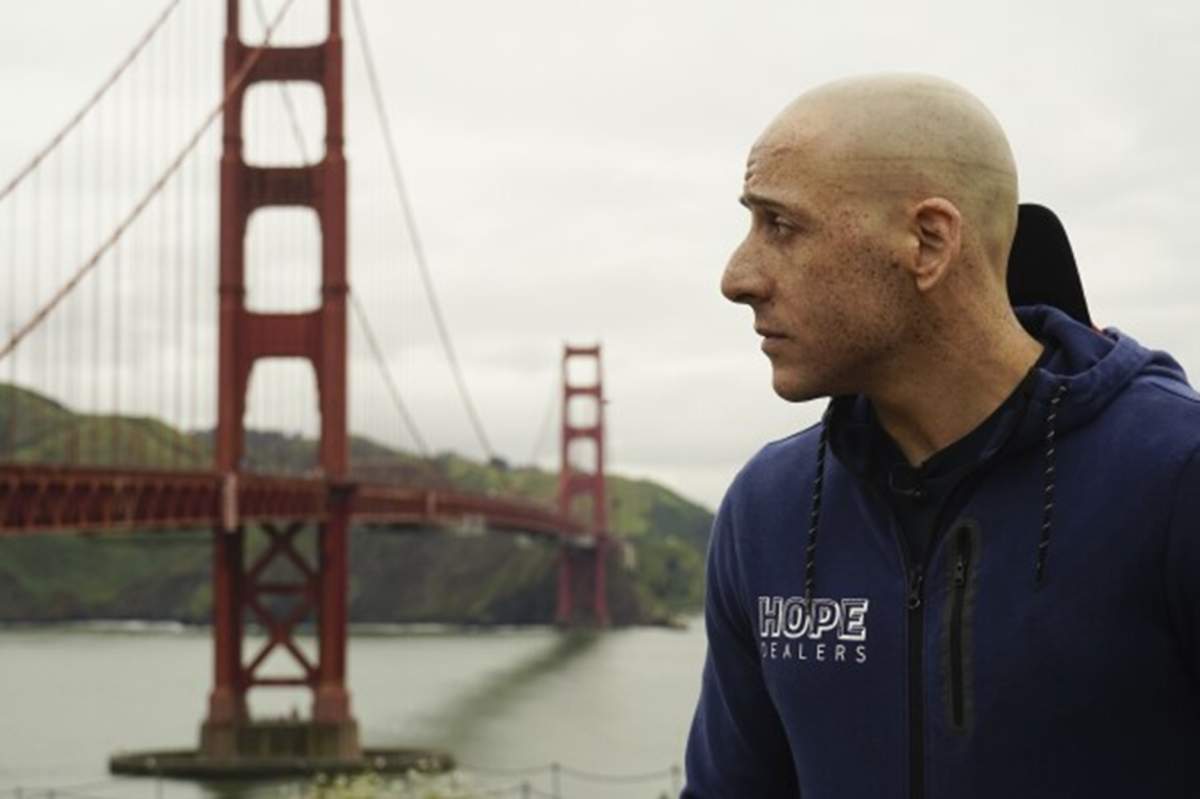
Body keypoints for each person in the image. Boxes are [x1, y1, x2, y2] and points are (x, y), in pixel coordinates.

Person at [681, 73, 1200, 798]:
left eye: (782, 226)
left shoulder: (1175, 475)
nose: (738, 277)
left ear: (928, 242)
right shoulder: (768, 508)